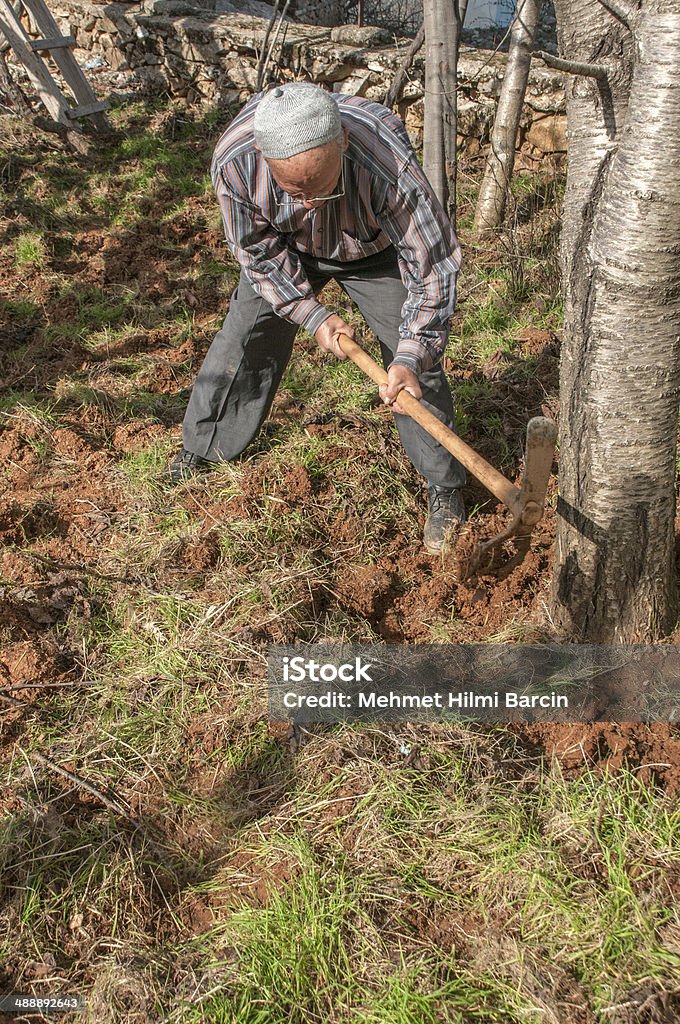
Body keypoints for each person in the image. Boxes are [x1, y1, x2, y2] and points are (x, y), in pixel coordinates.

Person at [169, 81, 466, 553]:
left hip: (374, 250)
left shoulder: (387, 162)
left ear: (343, 143)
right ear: (267, 160)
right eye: (293, 189)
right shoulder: (235, 161)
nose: (307, 202)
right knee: (245, 338)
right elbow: (257, 253)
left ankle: (444, 485)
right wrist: (311, 314)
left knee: (412, 365)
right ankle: (204, 446)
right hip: (286, 249)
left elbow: (432, 268)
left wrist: (411, 354)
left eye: (320, 187)